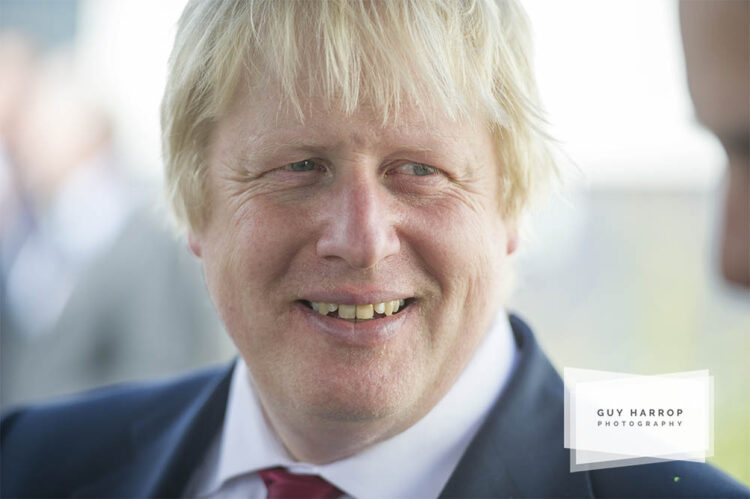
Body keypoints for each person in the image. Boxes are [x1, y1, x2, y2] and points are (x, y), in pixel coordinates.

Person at [1, 1, 748, 497]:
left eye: (419, 171)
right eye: (299, 167)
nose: (361, 240)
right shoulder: (31, 465)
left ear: (512, 201)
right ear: (197, 202)